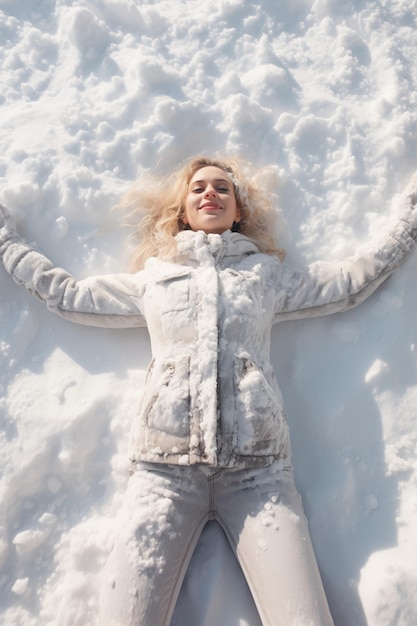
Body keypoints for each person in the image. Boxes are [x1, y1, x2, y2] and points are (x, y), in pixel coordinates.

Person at [1, 156, 417, 626]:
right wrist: (6, 240)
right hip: (163, 476)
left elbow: (348, 282)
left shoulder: (266, 276)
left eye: (222, 187)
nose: (210, 194)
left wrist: (410, 220)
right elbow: (67, 294)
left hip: (260, 479)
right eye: (198, 188)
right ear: (183, 209)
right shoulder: (155, 279)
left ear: (237, 209)